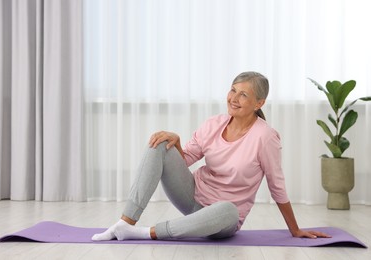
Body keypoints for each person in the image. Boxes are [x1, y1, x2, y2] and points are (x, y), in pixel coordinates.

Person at [92, 71, 331, 241]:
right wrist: (176, 142)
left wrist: (295, 230)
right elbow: (185, 160)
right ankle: (126, 223)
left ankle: (144, 233)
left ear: (259, 102)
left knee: (228, 209)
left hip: (222, 219)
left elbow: (276, 185)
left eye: (244, 95)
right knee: (160, 142)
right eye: (233, 90)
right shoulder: (214, 123)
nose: (234, 99)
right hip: (192, 197)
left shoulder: (265, 137)